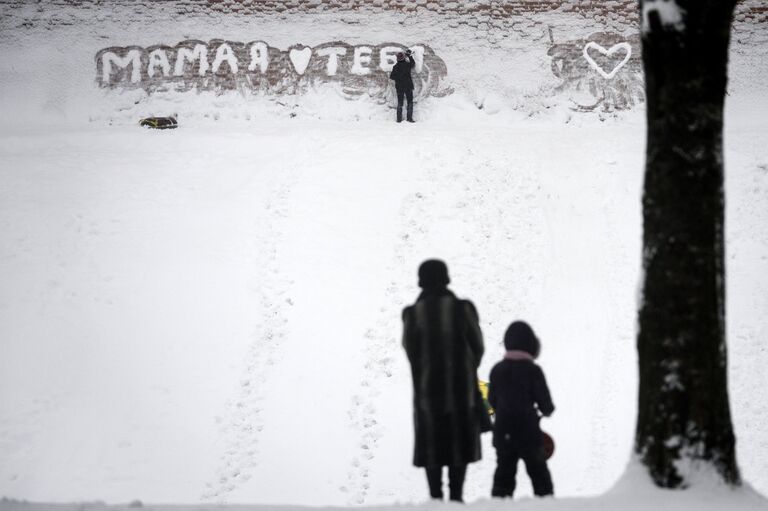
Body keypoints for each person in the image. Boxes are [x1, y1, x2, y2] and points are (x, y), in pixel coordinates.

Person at [402, 259, 484, 502]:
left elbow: (411, 353)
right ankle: (456, 500)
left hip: (428, 397)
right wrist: (462, 368)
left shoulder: (412, 315)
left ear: (421, 281)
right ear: (447, 278)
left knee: (432, 452)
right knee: (458, 454)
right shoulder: (463, 309)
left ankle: (436, 500)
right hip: (461, 394)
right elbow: (478, 348)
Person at [488, 321, 555, 498]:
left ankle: (499, 506)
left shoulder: (497, 370)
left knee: (504, 476)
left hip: (503, 433)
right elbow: (545, 404)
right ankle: (546, 506)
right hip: (528, 433)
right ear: (531, 346)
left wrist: (503, 411)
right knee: (539, 476)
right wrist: (546, 410)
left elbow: (491, 401)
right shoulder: (533, 371)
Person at [389, 49, 416, 123]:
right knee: (410, 102)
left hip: (399, 87)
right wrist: (409, 56)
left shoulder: (395, 67)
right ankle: (409, 118)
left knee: (400, 103)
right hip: (408, 86)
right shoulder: (407, 65)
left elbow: (392, 77)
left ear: (397, 58)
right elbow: (413, 64)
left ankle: (399, 119)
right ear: (404, 58)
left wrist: (398, 78)